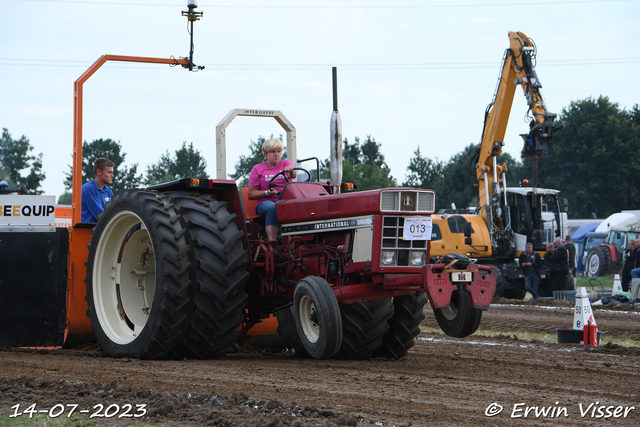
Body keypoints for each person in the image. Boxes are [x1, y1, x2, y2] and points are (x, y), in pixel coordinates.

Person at [247, 138, 296, 241]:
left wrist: (290, 171)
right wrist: (266, 193)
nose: (277, 154)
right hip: (265, 202)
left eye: (279, 151)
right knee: (273, 207)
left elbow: (293, 173)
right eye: (273, 152)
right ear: (265, 154)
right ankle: (272, 243)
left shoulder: (286, 163)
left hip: (285, 200)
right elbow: (251, 194)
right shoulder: (258, 169)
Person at [81, 158, 115, 223]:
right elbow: (101, 215)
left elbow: (114, 212)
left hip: (101, 231)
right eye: (109, 172)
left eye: (112, 172)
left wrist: (106, 211)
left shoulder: (108, 190)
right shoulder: (88, 189)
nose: (112, 175)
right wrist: (106, 211)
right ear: (99, 172)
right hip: (89, 231)